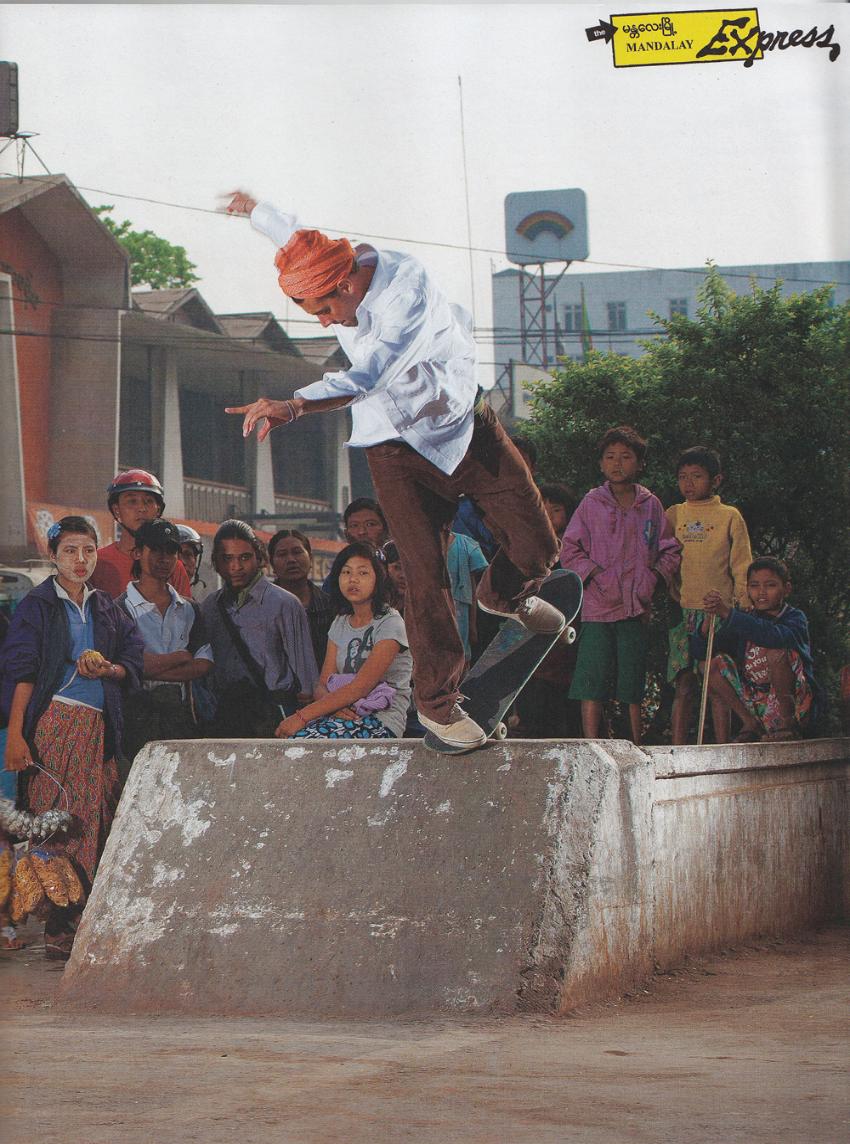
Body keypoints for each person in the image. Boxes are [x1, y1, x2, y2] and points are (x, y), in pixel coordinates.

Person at [222, 190, 560, 753]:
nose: (327, 323)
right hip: (393, 447)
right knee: (423, 575)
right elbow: (297, 235)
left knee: (538, 545)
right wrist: (256, 211)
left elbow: (371, 373)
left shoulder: (406, 292)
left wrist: (295, 405)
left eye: (325, 311)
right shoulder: (331, 262)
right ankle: (439, 706)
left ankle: (503, 594)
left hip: (463, 425)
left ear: (347, 285)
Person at [0, 516, 144, 960]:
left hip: (100, 727)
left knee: (94, 818)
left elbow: (133, 655)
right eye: (69, 551)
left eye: (88, 550)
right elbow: (22, 672)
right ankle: (58, 923)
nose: (80, 560)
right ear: (52, 555)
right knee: (56, 819)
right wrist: (16, 735)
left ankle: (80, 916)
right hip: (54, 725)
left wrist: (109, 669)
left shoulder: (106, 606)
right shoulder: (38, 605)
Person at [560, 426, 681, 745]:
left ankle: (635, 741)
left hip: (636, 608)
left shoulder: (651, 505)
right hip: (597, 606)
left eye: (626, 457)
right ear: (601, 464)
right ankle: (590, 741)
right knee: (592, 676)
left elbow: (670, 549)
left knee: (632, 677)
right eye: (610, 457)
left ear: (640, 464)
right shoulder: (591, 503)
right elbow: (569, 549)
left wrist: (653, 578)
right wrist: (596, 574)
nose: (617, 463)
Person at [276, 543, 412, 740]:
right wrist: (335, 709)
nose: (353, 579)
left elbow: (361, 687)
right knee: (288, 741)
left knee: (303, 740)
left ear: (379, 578)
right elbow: (322, 685)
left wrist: (301, 717)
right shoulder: (340, 622)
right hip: (339, 717)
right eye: (346, 572)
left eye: (363, 573)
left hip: (380, 721)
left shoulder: (391, 623)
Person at [665, 446, 753, 744]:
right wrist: (669, 586)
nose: (688, 483)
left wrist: (742, 601)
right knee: (684, 683)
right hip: (683, 611)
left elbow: (742, 563)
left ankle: (721, 745)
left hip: (718, 611)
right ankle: (677, 749)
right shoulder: (674, 514)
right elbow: (662, 555)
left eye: (696, 476)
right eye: (682, 477)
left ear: (716, 480)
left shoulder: (729, 516)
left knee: (716, 683)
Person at [200, 520, 318, 738]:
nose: (236, 566)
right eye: (227, 558)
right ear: (216, 562)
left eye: (245, 557)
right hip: (224, 717)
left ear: (260, 557)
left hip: (274, 716)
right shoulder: (210, 606)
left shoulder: (284, 604)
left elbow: (306, 681)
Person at [117, 519, 213, 772]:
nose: (164, 558)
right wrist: (180, 657)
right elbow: (128, 664)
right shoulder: (119, 609)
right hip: (135, 717)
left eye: (171, 551)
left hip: (181, 717)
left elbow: (203, 663)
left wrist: (147, 668)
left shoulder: (189, 609)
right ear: (137, 553)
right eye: (156, 549)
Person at [696, 557, 815, 743]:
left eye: (770, 585)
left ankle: (788, 725)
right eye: (754, 585)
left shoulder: (795, 618)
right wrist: (706, 627)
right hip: (756, 702)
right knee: (709, 666)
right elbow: (705, 651)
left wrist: (728, 613)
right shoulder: (745, 618)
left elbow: (773, 636)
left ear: (786, 589)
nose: (761, 592)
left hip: (794, 704)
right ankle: (750, 723)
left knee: (776, 653)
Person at [89, 469, 192, 600]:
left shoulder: (171, 565)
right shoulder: (96, 562)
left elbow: (184, 610)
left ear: (158, 510)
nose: (142, 508)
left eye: (148, 501)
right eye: (132, 501)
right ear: (116, 510)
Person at [268, 528, 335, 668]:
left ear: (310, 558)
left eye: (297, 552)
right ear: (272, 564)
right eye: (282, 554)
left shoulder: (331, 607)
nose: (291, 560)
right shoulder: (260, 607)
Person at [177, 524, 217, 605]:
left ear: (195, 561)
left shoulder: (201, 609)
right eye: (175, 556)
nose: (182, 562)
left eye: (187, 555)